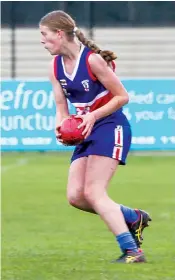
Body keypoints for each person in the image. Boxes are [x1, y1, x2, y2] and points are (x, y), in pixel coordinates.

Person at [39, 10, 151, 263]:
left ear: (59, 34)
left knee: (94, 192)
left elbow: (123, 96)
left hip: (110, 126)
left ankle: (133, 251)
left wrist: (91, 116)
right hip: (86, 130)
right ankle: (132, 216)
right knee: (76, 196)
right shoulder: (54, 67)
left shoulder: (92, 61)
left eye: (44, 35)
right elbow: (60, 107)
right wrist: (61, 127)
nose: (42, 41)